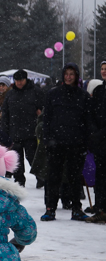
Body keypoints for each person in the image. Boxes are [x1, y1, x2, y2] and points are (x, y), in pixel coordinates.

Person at [40, 63, 90, 222]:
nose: (68, 77)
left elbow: (86, 121)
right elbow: (46, 118)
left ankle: (76, 208)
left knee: (75, 177)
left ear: (76, 76)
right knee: (53, 177)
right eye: (66, 74)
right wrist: (47, 139)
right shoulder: (53, 94)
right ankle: (50, 208)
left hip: (76, 143)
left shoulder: (83, 96)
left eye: (72, 74)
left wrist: (85, 141)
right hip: (56, 143)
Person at [0, 69, 44, 186]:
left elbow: (44, 109)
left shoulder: (35, 92)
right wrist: (5, 131)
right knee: (17, 160)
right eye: (17, 81)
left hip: (31, 132)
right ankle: (19, 179)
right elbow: (6, 114)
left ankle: (41, 178)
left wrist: (40, 115)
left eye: (21, 80)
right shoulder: (10, 94)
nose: (19, 83)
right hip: (15, 132)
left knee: (33, 157)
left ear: (26, 79)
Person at [87, 62, 106, 223]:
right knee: (100, 177)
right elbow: (91, 114)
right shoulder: (99, 90)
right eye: (102, 69)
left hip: (102, 136)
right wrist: (94, 132)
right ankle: (100, 208)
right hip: (100, 143)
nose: (104, 72)